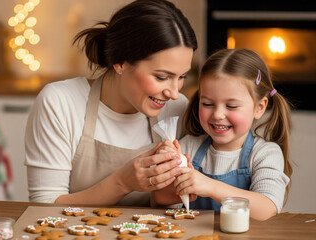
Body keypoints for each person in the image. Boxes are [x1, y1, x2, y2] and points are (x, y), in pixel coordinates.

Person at [24, 0, 197, 206]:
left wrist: (173, 193)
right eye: (161, 77)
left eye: (181, 77)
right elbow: (43, 206)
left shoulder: (177, 110)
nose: (174, 93)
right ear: (120, 62)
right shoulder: (61, 103)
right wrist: (123, 182)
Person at [154, 48, 292, 221]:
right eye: (207, 103)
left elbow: (267, 209)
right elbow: (159, 201)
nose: (218, 114)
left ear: (259, 107)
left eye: (231, 106)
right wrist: (168, 171)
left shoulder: (265, 153)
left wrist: (210, 187)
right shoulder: (188, 146)